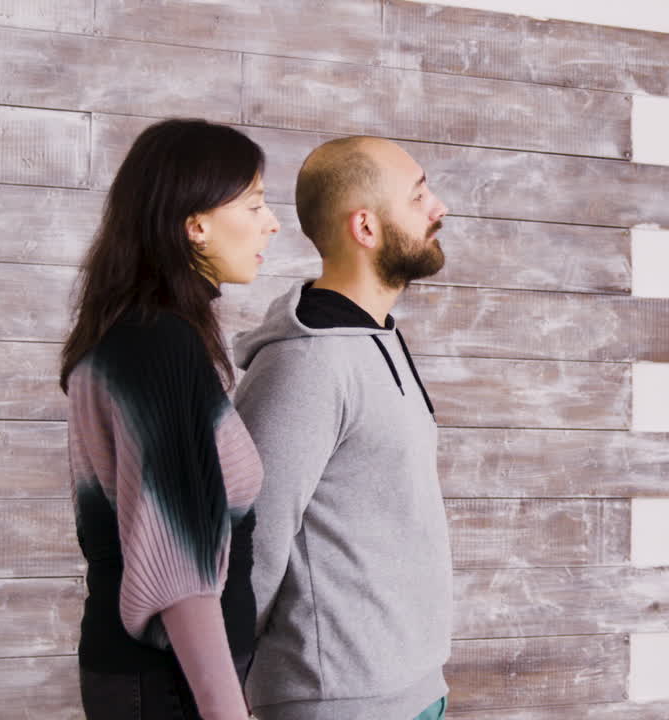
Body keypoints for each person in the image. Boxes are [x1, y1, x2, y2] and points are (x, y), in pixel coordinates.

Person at [61, 118, 280, 720]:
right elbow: (176, 563)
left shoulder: (136, 332)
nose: (273, 223)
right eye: (256, 204)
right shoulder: (158, 342)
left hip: (159, 677)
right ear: (196, 225)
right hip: (168, 683)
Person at [233, 136, 452, 720]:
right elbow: (250, 544)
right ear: (366, 227)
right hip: (336, 701)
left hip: (414, 688)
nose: (439, 209)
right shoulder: (305, 365)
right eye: (419, 195)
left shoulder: (380, 338)